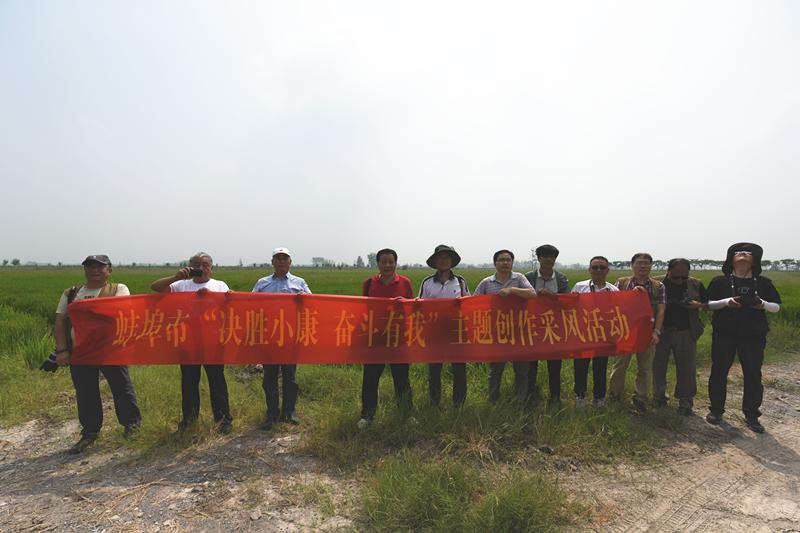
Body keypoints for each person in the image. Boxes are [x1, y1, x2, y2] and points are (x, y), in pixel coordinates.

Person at [54, 255, 142, 454]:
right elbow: (60, 321)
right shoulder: (71, 293)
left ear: (109, 270)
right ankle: (90, 432)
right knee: (85, 392)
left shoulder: (119, 289)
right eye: (90, 267)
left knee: (122, 388)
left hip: (110, 350)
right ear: (85, 270)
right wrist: (62, 350)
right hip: (80, 351)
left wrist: (85, 311)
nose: (94, 270)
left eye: (99, 267)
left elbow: (121, 314)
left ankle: (132, 427)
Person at [151, 252, 233, 434]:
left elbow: (231, 302)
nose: (200, 268)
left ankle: (223, 419)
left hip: (213, 341)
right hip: (187, 342)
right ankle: (189, 420)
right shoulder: (181, 285)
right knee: (189, 382)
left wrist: (211, 296)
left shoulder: (219, 285)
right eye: (196, 265)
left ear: (211, 268)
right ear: (189, 267)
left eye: (205, 265)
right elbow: (155, 287)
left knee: (217, 381)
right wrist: (176, 276)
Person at [705, 243, 781, 433]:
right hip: (724, 334)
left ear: (754, 261)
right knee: (719, 371)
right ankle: (716, 410)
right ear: (731, 260)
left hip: (753, 336)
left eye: (748, 252)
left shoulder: (763, 282)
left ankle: (752, 415)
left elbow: (776, 307)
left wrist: (762, 304)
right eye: (738, 252)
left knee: (753, 374)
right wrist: (726, 302)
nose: (743, 254)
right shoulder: (719, 282)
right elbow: (708, 304)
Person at [252, 247, 311, 430]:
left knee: (290, 377)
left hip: (291, 337)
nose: (281, 261)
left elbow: (313, 302)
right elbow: (249, 304)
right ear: (272, 262)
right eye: (278, 258)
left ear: (290, 262)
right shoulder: (262, 283)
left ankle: (289, 412)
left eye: (285, 258)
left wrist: (304, 299)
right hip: (269, 337)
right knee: (269, 377)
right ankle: (271, 414)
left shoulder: (299, 283)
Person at [357, 248, 414, 428]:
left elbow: (412, 308)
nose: (387, 265)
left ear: (396, 263)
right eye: (384, 262)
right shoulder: (369, 283)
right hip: (375, 338)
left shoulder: (405, 283)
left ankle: (407, 414)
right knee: (370, 378)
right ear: (378, 264)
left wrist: (404, 304)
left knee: (402, 378)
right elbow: (363, 308)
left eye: (391, 262)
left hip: (398, 337)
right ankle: (367, 415)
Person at [474, 249, 538, 403]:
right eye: (501, 260)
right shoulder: (486, 282)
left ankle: (520, 401)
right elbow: (474, 302)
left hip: (519, 332)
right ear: (495, 263)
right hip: (497, 333)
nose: (505, 263)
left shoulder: (519, 278)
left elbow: (533, 294)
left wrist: (512, 290)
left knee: (522, 370)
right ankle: (493, 400)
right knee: (495, 370)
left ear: (512, 263)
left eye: (508, 260)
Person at [608, 252, 665, 413]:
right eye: (639, 263)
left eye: (646, 263)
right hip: (625, 333)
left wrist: (656, 332)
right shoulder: (621, 283)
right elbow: (613, 305)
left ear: (651, 266)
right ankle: (614, 395)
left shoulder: (658, 286)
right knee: (619, 366)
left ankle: (640, 398)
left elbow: (661, 311)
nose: (642, 266)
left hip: (647, 333)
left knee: (645, 368)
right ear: (632, 265)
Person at [652, 258, 708, 416]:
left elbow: (708, 304)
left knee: (687, 369)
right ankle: (658, 397)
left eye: (684, 277)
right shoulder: (656, 283)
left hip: (686, 331)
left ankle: (685, 402)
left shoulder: (695, 284)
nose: (680, 280)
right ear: (668, 271)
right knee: (658, 367)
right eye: (676, 277)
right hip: (661, 332)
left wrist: (698, 305)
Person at [419, 245, 470, 407]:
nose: (443, 261)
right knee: (434, 370)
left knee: (459, 369)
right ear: (435, 262)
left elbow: (469, 304)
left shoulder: (460, 281)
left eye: (447, 258)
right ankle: (434, 403)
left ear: (452, 261)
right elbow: (419, 306)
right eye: (440, 258)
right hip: (434, 332)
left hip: (456, 331)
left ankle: (459, 404)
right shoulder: (427, 282)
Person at [570, 255, 618, 407]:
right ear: (589, 269)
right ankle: (580, 396)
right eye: (595, 267)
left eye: (602, 267)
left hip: (603, 335)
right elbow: (570, 307)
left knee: (600, 366)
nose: (598, 270)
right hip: (582, 334)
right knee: (580, 366)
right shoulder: (579, 287)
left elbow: (619, 312)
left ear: (607, 270)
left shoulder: (614, 290)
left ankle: (599, 397)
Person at [525, 244, 569, 404]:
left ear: (555, 259)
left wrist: (551, 296)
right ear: (538, 258)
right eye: (544, 256)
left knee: (555, 365)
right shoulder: (528, 277)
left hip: (554, 328)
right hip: (532, 327)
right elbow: (521, 299)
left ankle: (555, 397)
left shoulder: (561, 278)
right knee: (531, 365)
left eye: (551, 256)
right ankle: (530, 395)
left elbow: (567, 302)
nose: (548, 259)